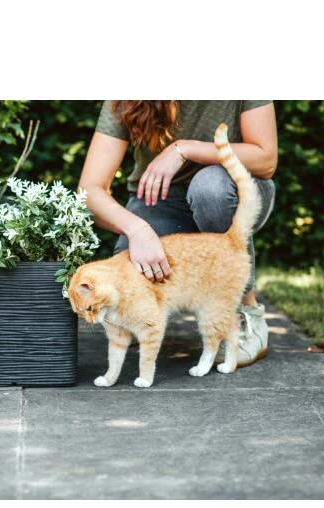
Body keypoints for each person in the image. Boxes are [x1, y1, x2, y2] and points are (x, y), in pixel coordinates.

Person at [78, 101, 278, 367]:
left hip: (229, 189)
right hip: (160, 197)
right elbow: (89, 189)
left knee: (209, 190)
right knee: (133, 277)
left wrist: (184, 149)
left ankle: (246, 313)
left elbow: (266, 159)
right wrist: (137, 230)